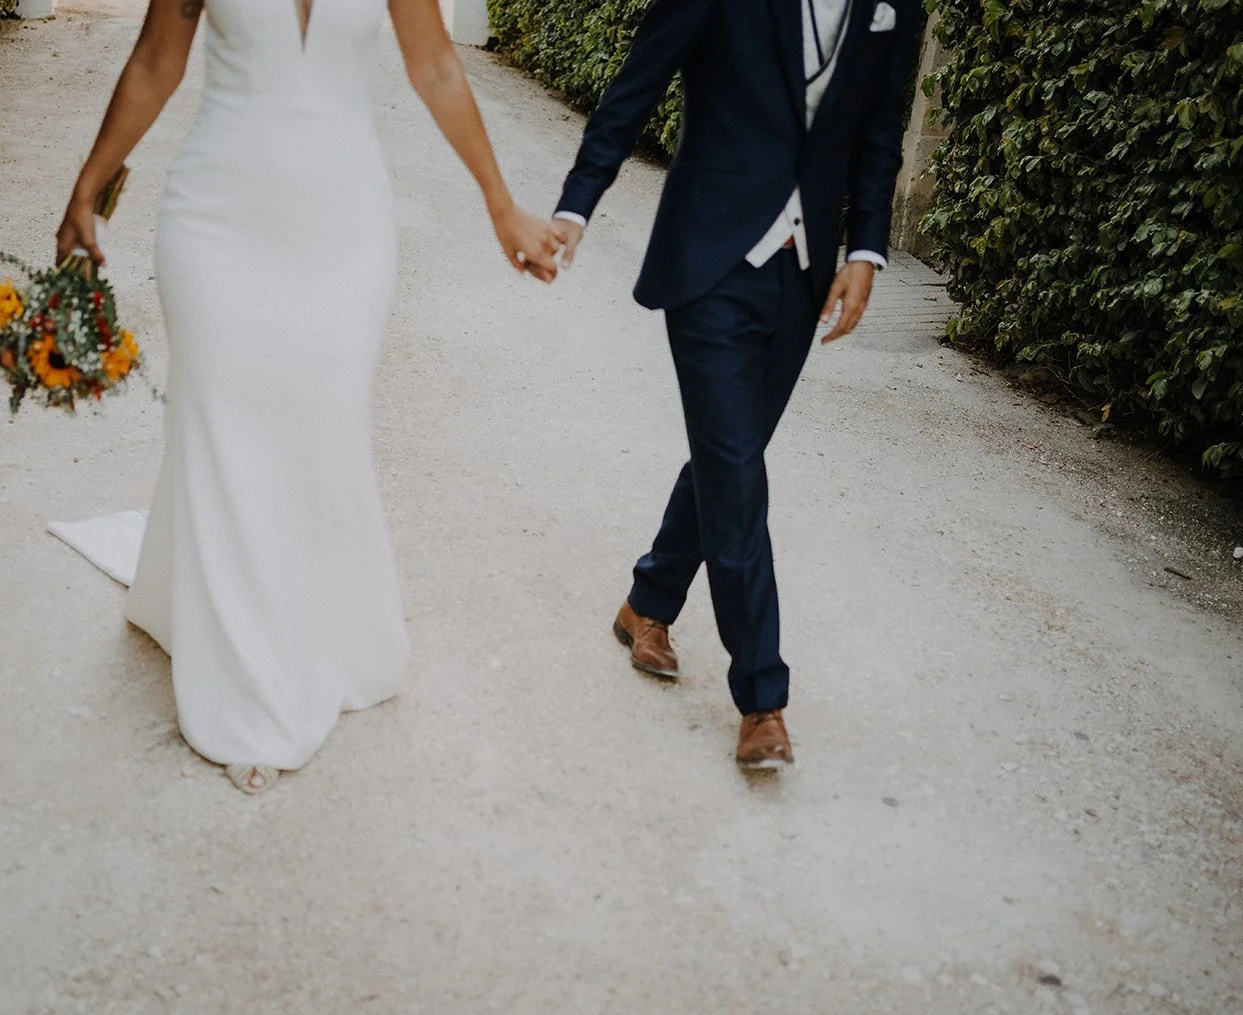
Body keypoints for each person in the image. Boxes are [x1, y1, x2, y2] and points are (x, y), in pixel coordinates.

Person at [51, 0, 563, 793]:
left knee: (321, 433)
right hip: (215, 223)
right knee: (222, 428)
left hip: (345, 230)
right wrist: (86, 187)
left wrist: (501, 204)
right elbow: (157, 59)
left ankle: (295, 624)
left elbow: (433, 65)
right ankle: (252, 693)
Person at [547, 0, 922, 769]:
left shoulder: (898, 6)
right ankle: (762, 695)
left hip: (806, 270)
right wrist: (575, 207)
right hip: (709, 255)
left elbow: (881, 137)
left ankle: (647, 601)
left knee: (731, 454)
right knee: (737, 473)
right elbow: (636, 86)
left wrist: (867, 251)